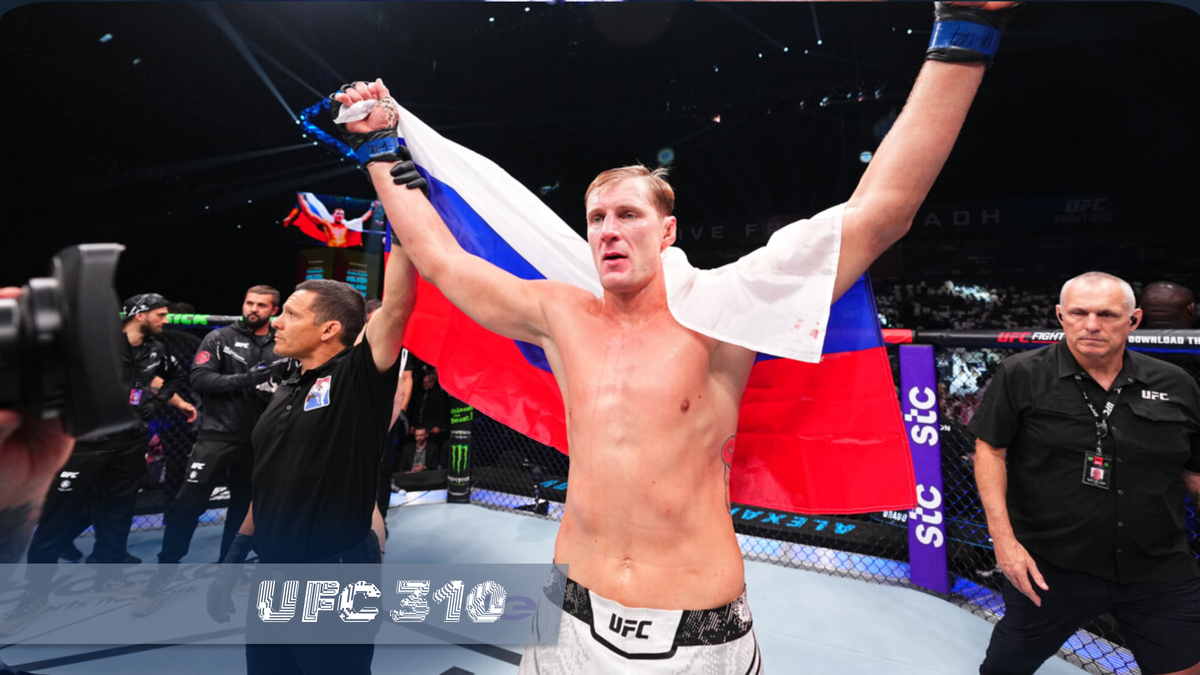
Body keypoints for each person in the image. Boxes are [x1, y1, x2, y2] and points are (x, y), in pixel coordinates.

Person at [332, 3, 1014, 670]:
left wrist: (965, 29)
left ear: (667, 233)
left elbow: (881, 213)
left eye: (628, 214)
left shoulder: (725, 309)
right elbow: (443, 262)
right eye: (596, 218)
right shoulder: (560, 315)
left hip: (694, 634)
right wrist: (380, 147)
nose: (608, 230)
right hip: (567, 614)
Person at [969, 271, 1200, 675]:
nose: (1091, 325)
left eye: (1107, 314)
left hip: (1157, 565)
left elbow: (1194, 471)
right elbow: (990, 450)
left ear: (1134, 320)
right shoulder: (1021, 373)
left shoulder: (1176, 383)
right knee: (1005, 668)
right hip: (1050, 565)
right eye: (1079, 313)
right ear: (1061, 316)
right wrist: (1004, 542)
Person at [205, 249, 416, 674]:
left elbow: (396, 307)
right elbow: (269, 480)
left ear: (329, 329)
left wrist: (405, 227)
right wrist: (232, 561)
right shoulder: (288, 384)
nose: (276, 322)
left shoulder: (356, 379)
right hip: (272, 578)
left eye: (291, 314)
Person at [1, 293, 190, 636]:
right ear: (140, 315)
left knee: (118, 514)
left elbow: (174, 377)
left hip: (130, 443)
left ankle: (108, 579)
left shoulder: (156, 349)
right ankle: (34, 595)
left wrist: (155, 404)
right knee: (57, 520)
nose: (166, 320)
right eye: (160, 314)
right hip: (86, 446)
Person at [133, 285, 292, 616]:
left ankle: (228, 574)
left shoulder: (282, 344)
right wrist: (247, 379)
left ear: (273, 310)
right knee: (186, 506)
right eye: (249, 302)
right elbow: (201, 379)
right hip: (216, 437)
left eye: (261, 305)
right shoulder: (219, 338)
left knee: (243, 510)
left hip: (258, 441)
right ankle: (163, 574)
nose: (253, 309)